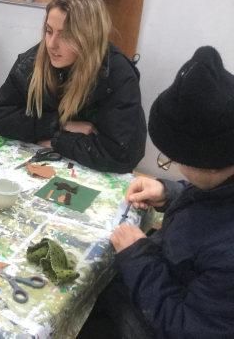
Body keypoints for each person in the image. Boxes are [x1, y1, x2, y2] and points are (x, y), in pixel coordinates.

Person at [78, 46, 234, 339]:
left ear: (210, 163)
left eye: (173, 160)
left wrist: (139, 257)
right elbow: (212, 201)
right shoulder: (220, 178)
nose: (170, 164)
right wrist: (170, 191)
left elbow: (185, 328)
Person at [0, 0, 146, 173]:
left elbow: (123, 154)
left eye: (65, 35)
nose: (51, 44)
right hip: (40, 165)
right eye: (49, 31)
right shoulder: (34, 61)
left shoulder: (117, 75)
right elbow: (1, 118)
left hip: (89, 176)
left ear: (89, 37)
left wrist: (54, 141)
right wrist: (60, 125)